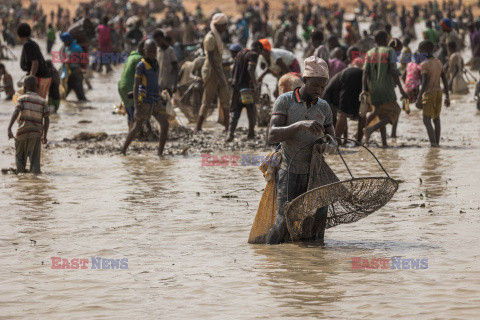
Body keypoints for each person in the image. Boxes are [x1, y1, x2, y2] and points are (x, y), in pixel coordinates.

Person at [265, 56, 336, 244]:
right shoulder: (285, 101)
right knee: (282, 221)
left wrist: (326, 147)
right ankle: (269, 261)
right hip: (289, 171)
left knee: (316, 224)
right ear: (305, 80)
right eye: (315, 86)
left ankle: (313, 266)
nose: (319, 91)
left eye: (323, 87)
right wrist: (298, 125)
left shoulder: (323, 106)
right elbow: (272, 135)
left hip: (315, 175)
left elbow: (334, 143)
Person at [121, 39, 169, 156]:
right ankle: (123, 150)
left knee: (165, 125)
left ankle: (160, 153)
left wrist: (161, 93)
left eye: (154, 52)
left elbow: (154, 82)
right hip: (145, 101)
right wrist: (136, 108)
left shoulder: (156, 63)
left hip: (156, 100)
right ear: (144, 51)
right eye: (149, 52)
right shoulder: (141, 66)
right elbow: (135, 86)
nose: (152, 54)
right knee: (137, 127)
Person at [362, 30, 408, 147]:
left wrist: (364, 89)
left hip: (373, 89)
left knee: (382, 114)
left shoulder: (370, 53)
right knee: (396, 111)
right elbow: (393, 71)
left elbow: (365, 72)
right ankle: (371, 129)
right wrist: (402, 90)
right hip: (386, 88)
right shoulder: (390, 51)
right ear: (385, 39)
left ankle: (384, 144)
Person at [7, 75, 49, 174]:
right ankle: (34, 181)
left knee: (20, 160)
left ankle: (22, 183)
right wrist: (45, 135)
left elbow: (16, 112)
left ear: (25, 88)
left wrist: (9, 128)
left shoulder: (21, 98)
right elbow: (47, 119)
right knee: (35, 164)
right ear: (37, 87)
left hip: (21, 132)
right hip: (35, 134)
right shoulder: (43, 101)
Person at [196, 13, 230, 132]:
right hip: (211, 71)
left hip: (218, 69)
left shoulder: (217, 36)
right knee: (208, 99)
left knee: (225, 97)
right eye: (223, 26)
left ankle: (227, 127)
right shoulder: (210, 38)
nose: (225, 28)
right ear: (218, 26)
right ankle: (198, 126)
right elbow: (211, 60)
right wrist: (220, 76)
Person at [227, 41, 263, 142]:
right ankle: (251, 134)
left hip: (236, 87)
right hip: (247, 88)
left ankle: (231, 134)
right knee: (251, 110)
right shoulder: (254, 55)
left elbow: (234, 70)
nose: (260, 54)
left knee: (235, 111)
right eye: (261, 51)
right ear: (258, 48)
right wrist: (255, 84)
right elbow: (250, 69)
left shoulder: (240, 53)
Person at [323, 58, 365, 144]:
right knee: (362, 112)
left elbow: (335, 118)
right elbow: (342, 121)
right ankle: (359, 141)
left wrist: (337, 137)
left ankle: (336, 142)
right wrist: (345, 140)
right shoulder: (329, 94)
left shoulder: (325, 98)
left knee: (342, 114)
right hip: (361, 76)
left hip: (348, 76)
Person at [416, 40, 450, 147]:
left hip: (429, 93)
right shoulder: (438, 62)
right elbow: (444, 79)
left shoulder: (424, 63)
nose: (420, 54)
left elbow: (425, 81)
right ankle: (437, 143)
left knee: (426, 119)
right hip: (438, 93)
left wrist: (419, 97)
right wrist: (447, 96)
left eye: (421, 51)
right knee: (436, 118)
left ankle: (433, 144)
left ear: (428, 51)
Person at [17, 22, 51, 99]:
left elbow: (35, 63)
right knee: (37, 103)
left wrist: (31, 80)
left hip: (40, 78)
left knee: (35, 102)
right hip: (43, 77)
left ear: (19, 34)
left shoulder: (27, 45)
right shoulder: (32, 43)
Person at [118, 40, 145, 128]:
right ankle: (135, 132)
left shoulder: (130, 57)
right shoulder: (139, 59)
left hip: (122, 86)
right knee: (135, 111)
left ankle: (131, 131)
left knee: (130, 111)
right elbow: (141, 76)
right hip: (130, 86)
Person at [60, 32, 87, 101]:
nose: (64, 44)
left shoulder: (76, 48)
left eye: (65, 42)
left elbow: (83, 60)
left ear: (68, 41)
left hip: (76, 75)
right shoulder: (67, 48)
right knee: (62, 96)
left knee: (81, 98)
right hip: (69, 76)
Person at [153, 29, 178, 95]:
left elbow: (175, 68)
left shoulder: (170, 50)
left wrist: (174, 84)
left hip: (169, 84)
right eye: (156, 41)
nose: (157, 43)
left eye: (158, 40)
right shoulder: (157, 51)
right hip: (160, 83)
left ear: (163, 38)